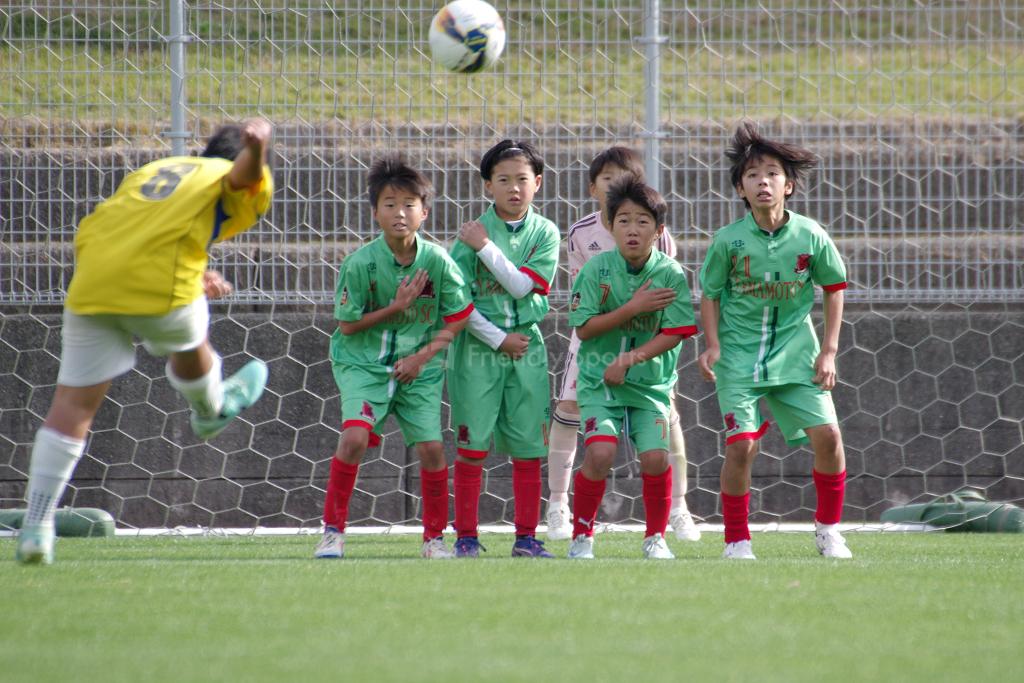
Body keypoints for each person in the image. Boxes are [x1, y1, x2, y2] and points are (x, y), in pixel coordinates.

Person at [15, 119, 275, 565]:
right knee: (191, 335)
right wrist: (259, 147)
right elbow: (242, 177)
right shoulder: (224, 174)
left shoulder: (159, 170)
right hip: (161, 288)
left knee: (73, 407)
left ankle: (37, 529)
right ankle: (210, 407)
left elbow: (121, 229)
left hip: (92, 280)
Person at [698, 122, 852, 560]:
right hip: (739, 359)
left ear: (789, 184)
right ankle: (736, 539)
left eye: (771, 173)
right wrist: (712, 345)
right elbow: (708, 294)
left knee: (829, 439)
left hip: (797, 355)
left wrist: (829, 351)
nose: (762, 181)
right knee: (743, 445)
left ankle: (828, 531)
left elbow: (834, 286)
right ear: (740, 190)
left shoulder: (810, 235)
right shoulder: (728, 241)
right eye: (751, 175)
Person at [314, 156, 474, 560]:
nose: (399, 212)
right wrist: (396, 307)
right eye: (389, 203)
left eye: (408, 204)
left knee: (432, 450)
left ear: (425, 211)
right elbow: (347, 326)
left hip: (417, 369)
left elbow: (459, 317)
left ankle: (434, 539)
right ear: (375, 212)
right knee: (353, 439)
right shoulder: (360, 264)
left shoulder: (437, 261)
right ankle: (332, 532)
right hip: (362, 363)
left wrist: (422, 357)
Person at [545, 146, 700, 543]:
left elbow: (671, 313)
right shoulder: (582, 235)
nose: (633, 227)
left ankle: (677, 510)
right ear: (593, 188)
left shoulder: (661, 247)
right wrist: (628, 307)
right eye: (607, 178)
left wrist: (634, 346)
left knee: (665, 426)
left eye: (624, 176)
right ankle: (559, 504)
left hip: (647, 356)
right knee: (568, 409)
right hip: (599, 343)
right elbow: (587, 310)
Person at [447, 139, 560, 558]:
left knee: (530, 449)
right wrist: (497, 338)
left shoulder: (545, 232)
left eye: (523, 180)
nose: (514, 188)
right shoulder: (469, 237)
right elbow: (456, 303)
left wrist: (486, 248)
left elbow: (521, 286)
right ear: (487, 187)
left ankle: (527, 537)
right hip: (478, 350)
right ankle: (466, 538)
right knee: (473, 446)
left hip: (527, 348)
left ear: (539, 183)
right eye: (503, 180)